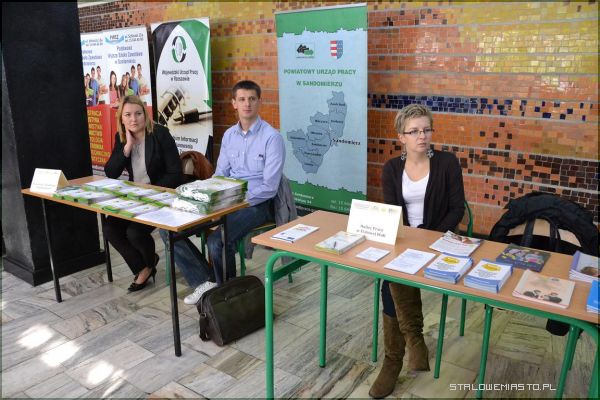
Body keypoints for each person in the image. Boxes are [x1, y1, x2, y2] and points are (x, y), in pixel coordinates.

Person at [159, 80, 285, 305]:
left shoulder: (272, 137)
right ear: (234, 103)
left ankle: (229, 298)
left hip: (257, 203)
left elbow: (269, 187)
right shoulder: (229, 136)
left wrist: (235, 201)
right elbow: (219, 176)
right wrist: (208, 196)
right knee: (167, 229)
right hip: (227, 199)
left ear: (259, 102)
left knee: (217, 242)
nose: (247, 104)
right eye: (242, 99)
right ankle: (206, 282)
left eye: (252, 99)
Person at [370, 104, 465, 399]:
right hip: (405, 240)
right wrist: (408, 239)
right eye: (414, 131)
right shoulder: (391, 168)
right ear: (401, 137)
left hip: (439, 240)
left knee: (392, 279)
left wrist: (428, 237)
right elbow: (393, 213)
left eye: (426, 130)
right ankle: (411, 344)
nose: (422, 136)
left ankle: (397, 358)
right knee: (393, 276)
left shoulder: (447, 163)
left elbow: (456, 209)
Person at [104, 95, 183, 292]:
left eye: (138, 114)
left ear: (145, 115)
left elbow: (175, 174)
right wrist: (127, 147)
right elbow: (110, 172)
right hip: (136, 198)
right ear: (121, 118)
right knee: (110, 228)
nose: (133, 119)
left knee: (134, 232)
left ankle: (146, 266)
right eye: (128, 115)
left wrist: (149, 191)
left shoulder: (160, 134)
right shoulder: (121, 137)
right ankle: (144, 266)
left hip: (160, 196)